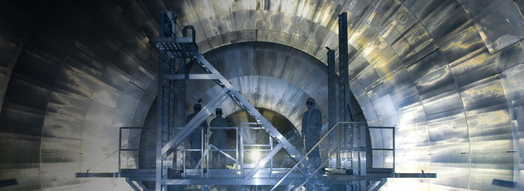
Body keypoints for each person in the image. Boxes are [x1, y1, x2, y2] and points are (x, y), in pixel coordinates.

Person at [302, 97, 322, 169]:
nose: (308, 105)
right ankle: (311, 165)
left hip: (313, 132)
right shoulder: (306, 114)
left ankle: (317, 165)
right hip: (307, 134)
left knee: (315, 148)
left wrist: (317, 133)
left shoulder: (317, 113)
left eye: (310, 103)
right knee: (308, 148)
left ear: (313, 104)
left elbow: (319, 124)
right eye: (307, 103)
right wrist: (303, 135)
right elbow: (303, 124)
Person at [186, 104, 208, 169]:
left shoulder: (190, 117)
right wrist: (207, 137)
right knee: (200, 151)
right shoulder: (202, 117)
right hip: (200, 136)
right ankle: (197, 166)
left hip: (194, 136)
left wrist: (188, 137)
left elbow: (186, 128)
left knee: (194, 151)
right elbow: (206, 127)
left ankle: (194, 167)